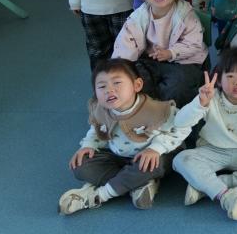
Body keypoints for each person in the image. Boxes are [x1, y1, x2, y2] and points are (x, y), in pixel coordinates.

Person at [59, 59, 188, 214]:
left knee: (149, 166)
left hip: (154, 157)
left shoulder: (156, 109)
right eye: (102, 86)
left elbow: (181, 128)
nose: (109, 90)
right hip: (119, 157)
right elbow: (96, 130)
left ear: (137, 85)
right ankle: (137, 184)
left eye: (117, 83)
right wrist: (88, 145)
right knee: (81, 166)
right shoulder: (101, 109)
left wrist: (156, 149)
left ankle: (99, 195)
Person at [173, 48, 237, 220]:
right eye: (230, 76)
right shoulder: (210, 98)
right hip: (212, 150)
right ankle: (225, 196)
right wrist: (200, 103)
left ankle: (206, 187)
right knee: (181, 159)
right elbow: (180, 122)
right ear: (219, 80)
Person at [113, 0, 207, 104]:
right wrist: (121, 67)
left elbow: (193, 44)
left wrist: (170, 53)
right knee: (135, 80)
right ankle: (152, 106)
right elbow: (126, 43)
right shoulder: (139, 16)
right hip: (150, 61)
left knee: (178, 84)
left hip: (183, 62)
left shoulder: (185, 15)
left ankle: (169, 109)